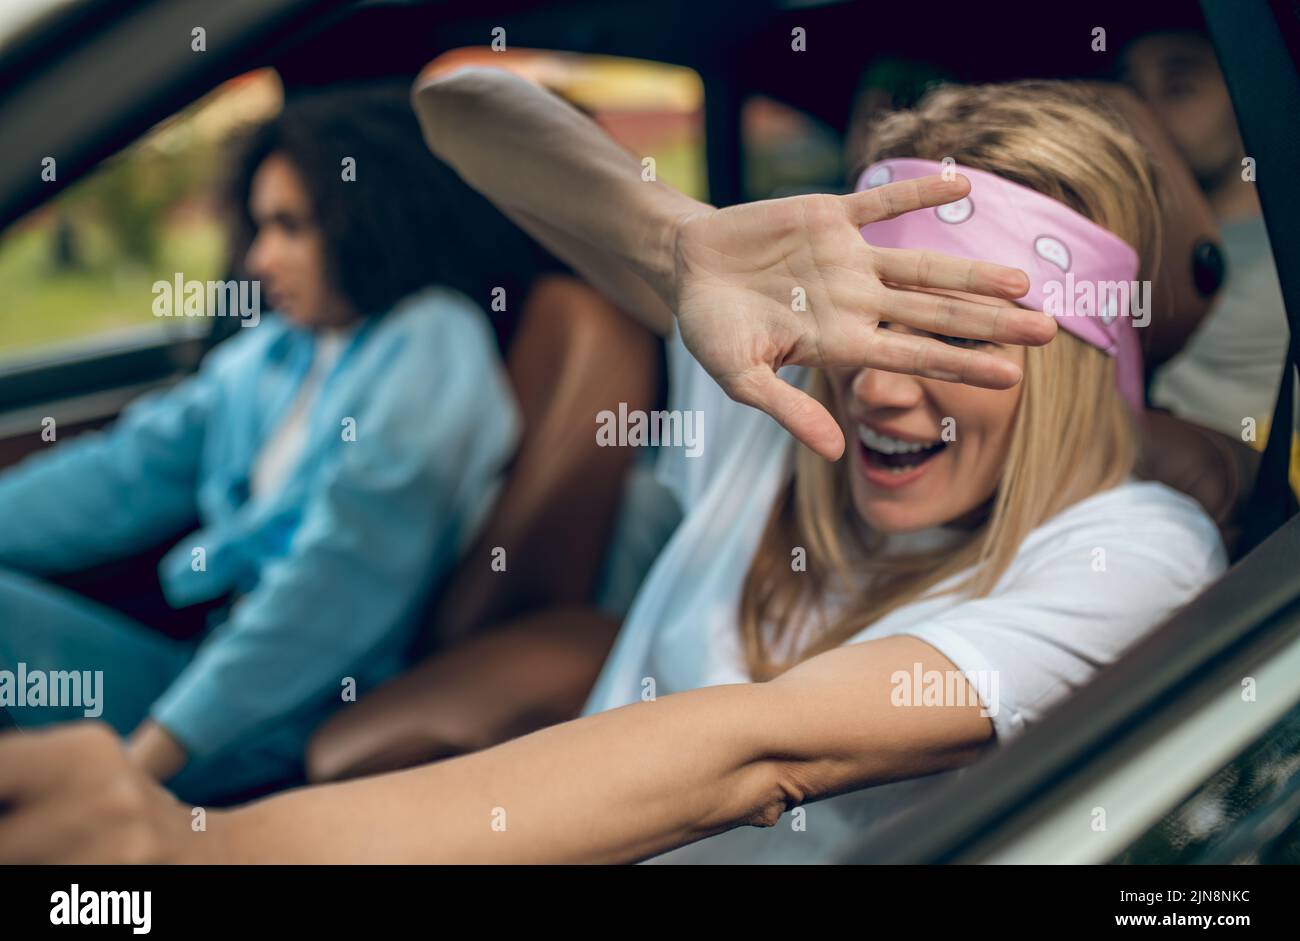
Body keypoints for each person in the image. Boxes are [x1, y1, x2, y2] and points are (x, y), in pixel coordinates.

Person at [0, 72, 1225, 863]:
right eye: (867, 326)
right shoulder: (785, 413)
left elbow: (760, 747)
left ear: (1078, 360)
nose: (882, 386)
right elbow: (460, 107)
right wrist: (675, 243)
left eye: (947, 339)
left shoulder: (1136, 553)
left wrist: (200, 849)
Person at [0, 86, 519, 803]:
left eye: (290, 227)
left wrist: (145, 763)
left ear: (365, 218)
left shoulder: (432, 341)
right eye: (257, 228)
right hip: (204, 665)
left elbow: (336, 580)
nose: (260, 259)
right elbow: (125, 471)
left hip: (282, 719)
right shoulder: (282, 349)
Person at [1123, 30, 1292, 471]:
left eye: (1179, 88)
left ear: (1243, 85)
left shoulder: (1283, 242)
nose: (1150, 115)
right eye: (1133, 95)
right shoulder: (1126, 243)